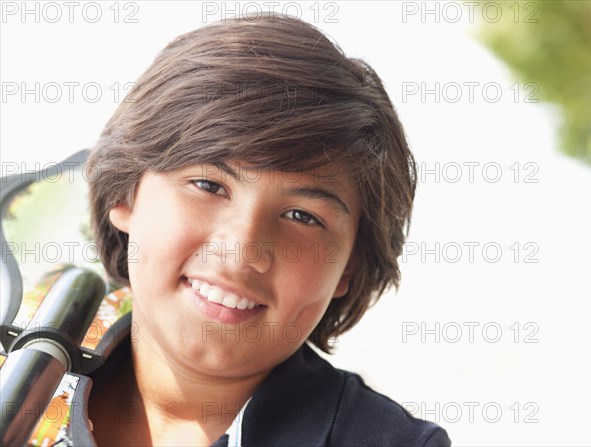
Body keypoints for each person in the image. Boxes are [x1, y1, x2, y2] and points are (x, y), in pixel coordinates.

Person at [84, 11, 451, 446]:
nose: (242, 251)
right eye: (208, 185)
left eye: (302, 216)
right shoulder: (20, 368)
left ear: (349, 267)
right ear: (125, 193)